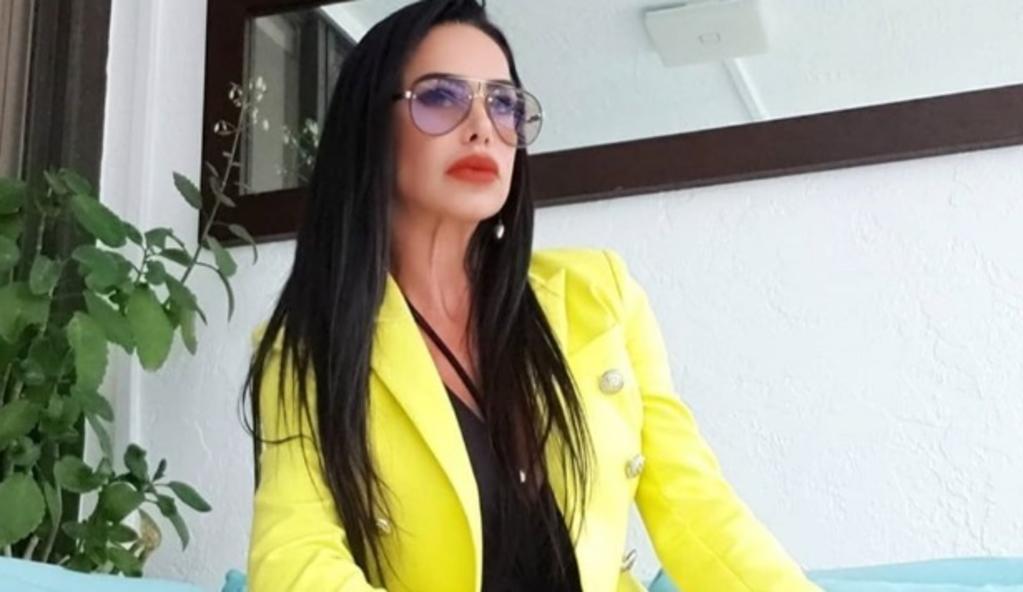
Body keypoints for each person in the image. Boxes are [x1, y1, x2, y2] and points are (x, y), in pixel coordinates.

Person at [243, 1, 820, 590]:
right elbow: (296, 556)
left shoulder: (600, 295)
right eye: (441, 97)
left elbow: (696, 505)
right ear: (370, 128)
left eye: (504, 104)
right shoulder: (307, 348)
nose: (483, 127)